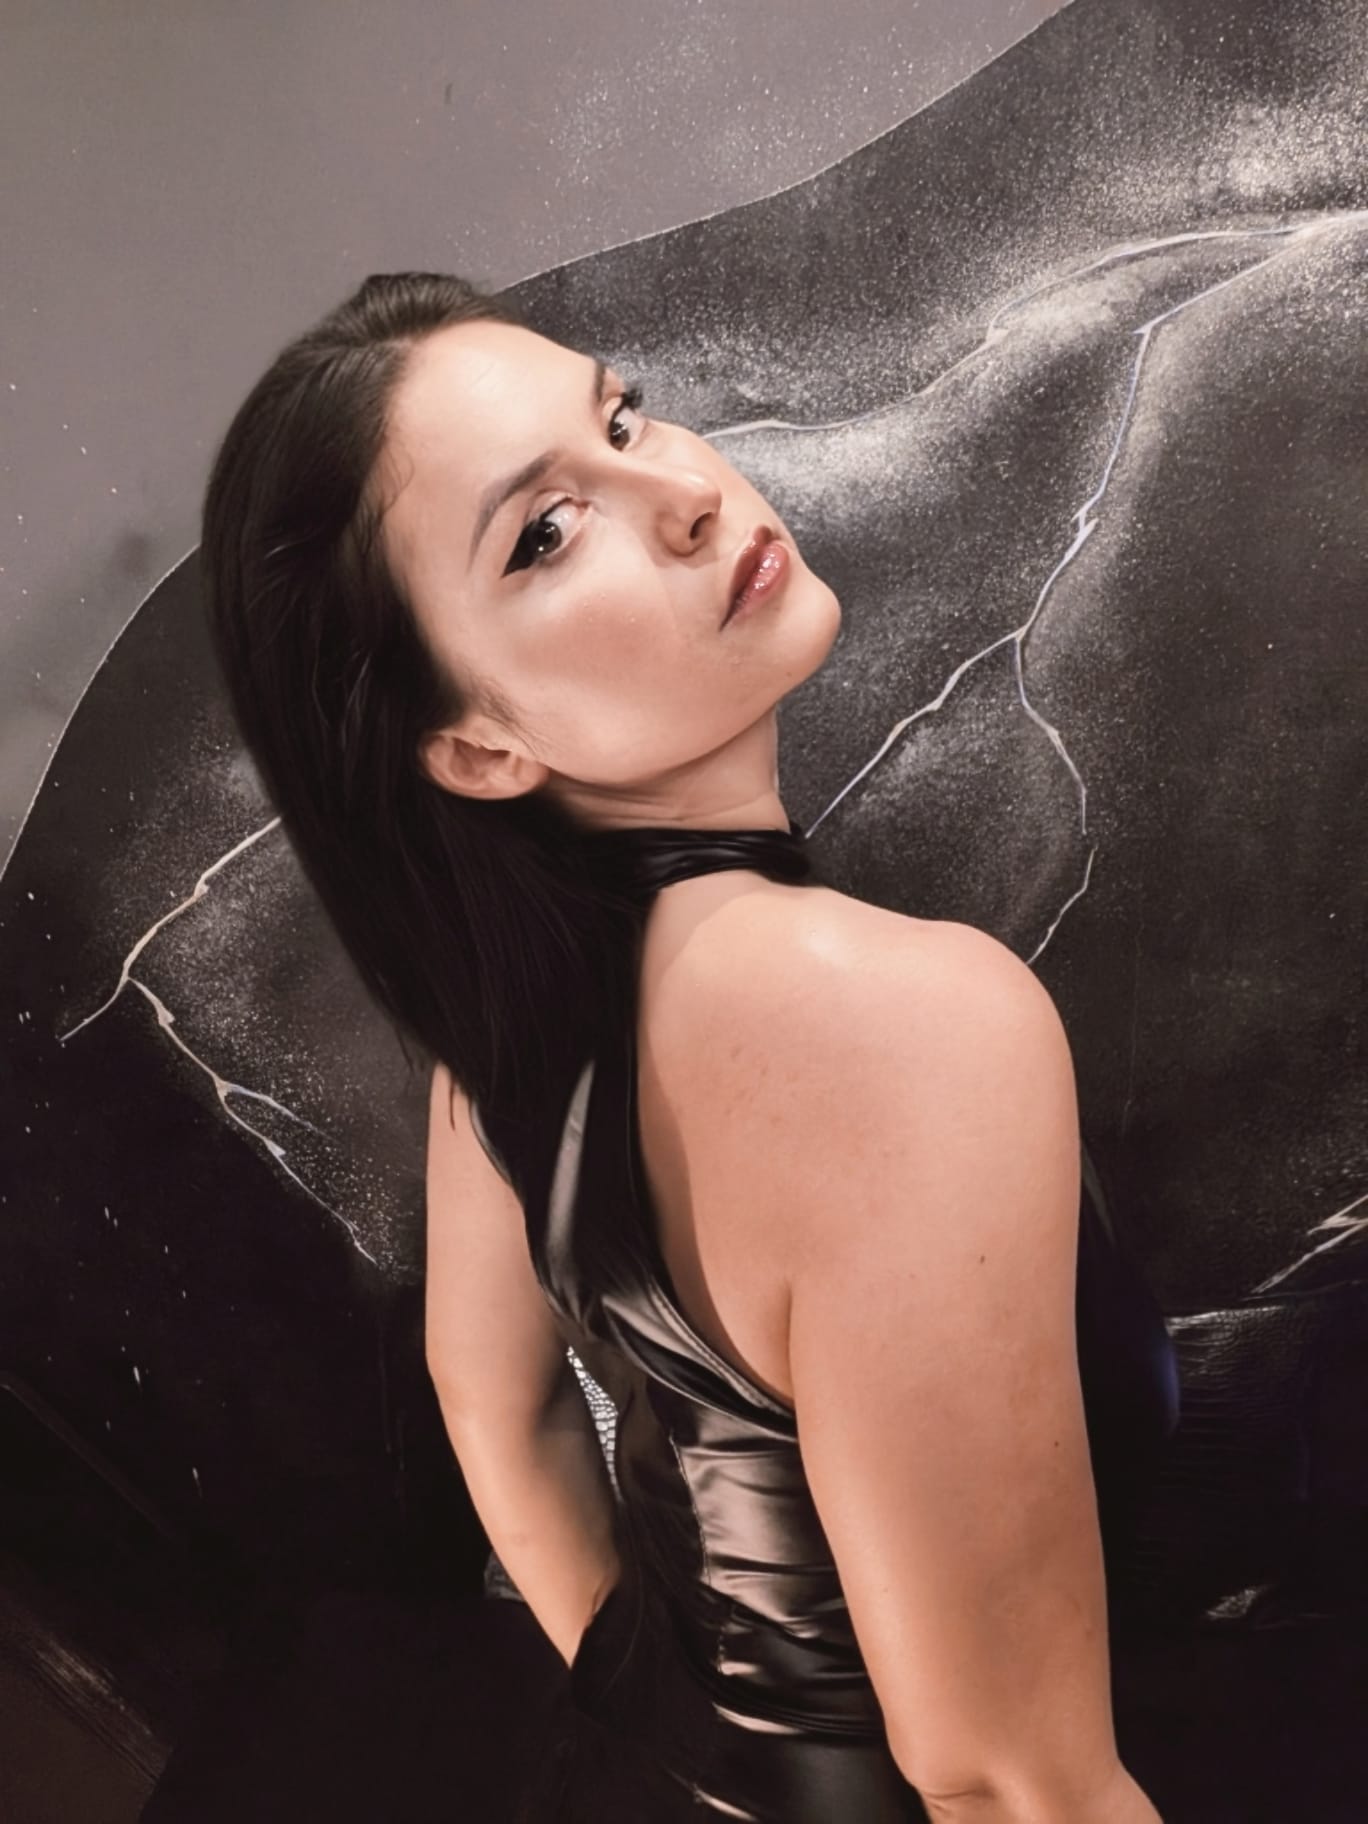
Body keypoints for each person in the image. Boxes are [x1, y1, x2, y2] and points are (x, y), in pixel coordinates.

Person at [201, 271, 1177, 1822]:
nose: (685, 492)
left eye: (623, 419)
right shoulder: (904, 1024)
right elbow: (1006, 1782)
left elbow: (491, 1396)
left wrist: (667, 1733)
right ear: (477, 743)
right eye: (544, 533)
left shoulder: (499, 1032)